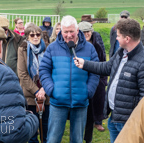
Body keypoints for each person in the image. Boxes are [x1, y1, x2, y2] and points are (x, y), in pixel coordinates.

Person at [74, 18, 144, 143]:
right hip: (114, 118)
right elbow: (106, 67)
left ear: (127, 39)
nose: (116, 38)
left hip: (128, 123)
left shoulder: (142, 62)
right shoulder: (121, 52)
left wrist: (135, 123)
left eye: (118, 36)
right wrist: (84, 64)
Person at [39, 15, 99, 143]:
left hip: (80, 102)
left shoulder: (89, 49)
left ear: (78, 30)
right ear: (61, 31)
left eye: (72, 31)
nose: (69, 35)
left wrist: (87, 91)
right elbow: (44, 70)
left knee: (77, 139)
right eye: (65, 32)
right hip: (58, 101)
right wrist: (51, 90)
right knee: (53, 139)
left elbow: (95, 72)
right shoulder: (52, 48)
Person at [18, 24, 49, 143]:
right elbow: (22, 74)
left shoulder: (47, 48)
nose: (35, 37)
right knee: (32, 129)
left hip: (46, 92)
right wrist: (36, 91)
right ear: (27, 36)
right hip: (30, 94)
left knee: (45, 127)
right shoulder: (23, 49)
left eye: (38, 34)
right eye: (32, 35)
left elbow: (51, 70)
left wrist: (44, 90)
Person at [78, 21, 107, 143]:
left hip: (95, 84)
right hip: (79, 83)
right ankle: (78, 137)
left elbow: (103, 64)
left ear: (91, 31)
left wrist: (102, 81)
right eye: (83, 32)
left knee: (91, 114)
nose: (86, 34)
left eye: (88, 32)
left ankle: (88, 139)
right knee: (79, 115)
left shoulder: (97, 46)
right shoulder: (76, 46)